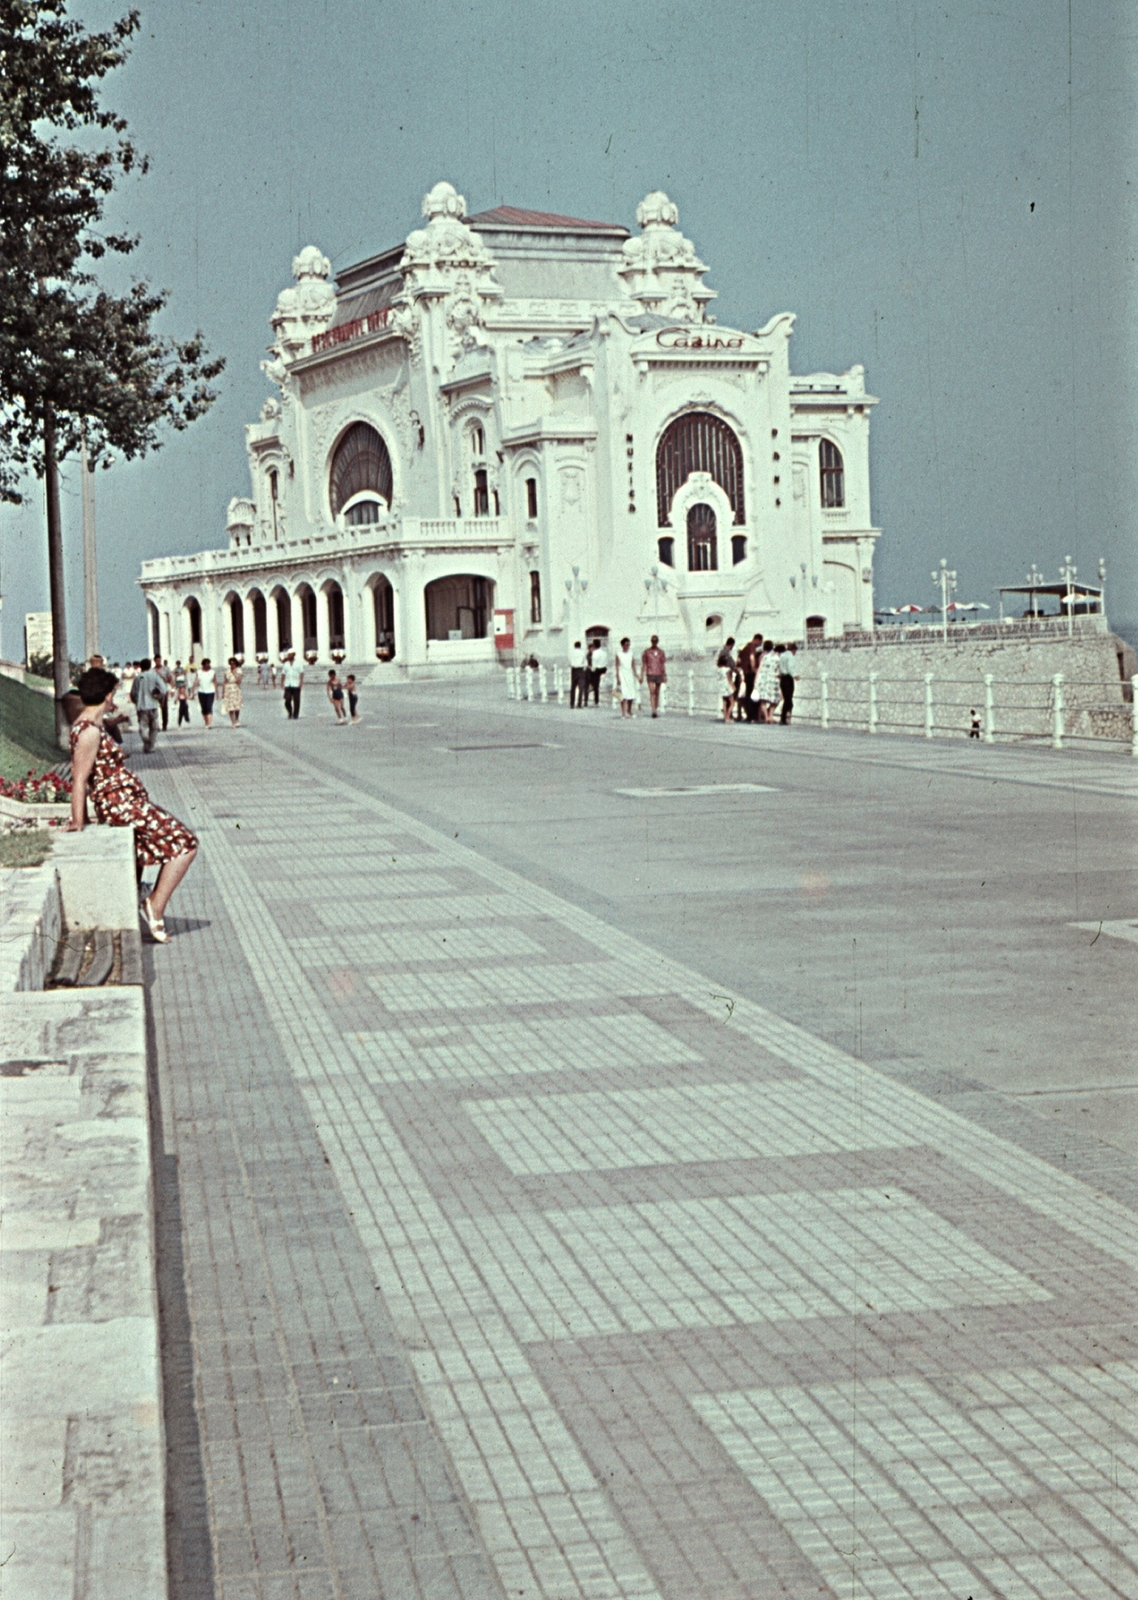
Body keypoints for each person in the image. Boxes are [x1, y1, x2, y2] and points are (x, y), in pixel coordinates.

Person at [66, 667, 198, 945]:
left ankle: (146, 899)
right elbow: (79, 780)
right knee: (185, 844)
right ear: (107, 695)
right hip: (120, 804)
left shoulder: (92, 725)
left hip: (125, 800)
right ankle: (154, 905)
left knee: (155, 849)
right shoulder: (89, 731)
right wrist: (78, 820)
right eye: (112, 693)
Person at [133, 657, 165, 753]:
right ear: (150, 666)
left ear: (141, 666)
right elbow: (163, 689)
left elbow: (133, 693)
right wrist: (159, 697)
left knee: (143, 726)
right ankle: (151, 745)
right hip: (153, 705)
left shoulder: (139, 677)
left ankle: (146, 740)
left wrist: (136, 701)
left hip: (142, 706)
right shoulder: (154, 676)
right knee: (154, 727)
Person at [738, 634, 763, 722]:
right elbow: (752, 658)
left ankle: (749, 716)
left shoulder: (744, 648)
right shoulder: (752, 647)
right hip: (750, 673)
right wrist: (754, 669)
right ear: (757, 640)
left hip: (745, 673)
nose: (759, 644)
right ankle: (753, 716)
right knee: (753, 695)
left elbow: (739, 661)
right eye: (760, 642)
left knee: (748, 694)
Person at [753, 639, 779, 723]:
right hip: (773, 679)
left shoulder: (763, 657)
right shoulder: (776, 657)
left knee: (763, 700)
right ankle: (770, 716)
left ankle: (766, 717)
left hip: (763, 679)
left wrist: (756, 679)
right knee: (774, 699)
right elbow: (778, 670)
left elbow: (759, 669)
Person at [641, 635, 667, 717]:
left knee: (657, 692)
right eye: (653, 641)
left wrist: (665, 675)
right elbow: (644, 664)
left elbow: (663, 664)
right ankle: (653, 710)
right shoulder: (647, 652)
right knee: (652, 691)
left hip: (659, 673)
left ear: (657, 641)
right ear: (651, 641)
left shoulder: (661, 652)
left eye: (655, 641)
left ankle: (655, 708)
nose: (654, 642)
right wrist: (641, 675)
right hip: (650, 673)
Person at [613, 637, 639, 717]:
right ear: (622, 645)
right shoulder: (618, 654)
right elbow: (617, 666)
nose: (627, 646)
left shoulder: (631, 653)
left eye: (628, 645)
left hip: (629, 674)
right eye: (626, 645)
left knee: (631, 693)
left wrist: (636, 674)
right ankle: (623, 713)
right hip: (622, 674)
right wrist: (617, 677)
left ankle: (629, 710)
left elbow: (633, 665)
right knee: (622, 693)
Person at [717, 637, 738, 723]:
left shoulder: (719, 668)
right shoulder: (725, 653)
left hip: (722, 684)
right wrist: (733, 687)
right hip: (727, 683)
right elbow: (729, 679)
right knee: (731, 701)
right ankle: (728, 716)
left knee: (725, 701)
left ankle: (726, 717)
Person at [777, 641, 797, 725]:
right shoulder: (790, 656)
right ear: (793, 650)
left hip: (782, 679)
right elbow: (790, 667)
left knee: (786, 698)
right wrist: (795, 675)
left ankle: (784, 717)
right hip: (788, 678)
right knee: (788, 698)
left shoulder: (781, 656)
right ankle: (784, 718)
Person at [152, 655, 172, 730]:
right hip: (155, 691)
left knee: (164, 708)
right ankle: (156, 725)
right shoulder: (152, 670)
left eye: (159, 660)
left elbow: (170, 679)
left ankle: (164, 725)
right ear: (154, 661)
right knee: (154, 709)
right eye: (157, 660)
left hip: (163, 691)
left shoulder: (166, 669)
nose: (158, 662)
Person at [222, 658, 243, 726]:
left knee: (237, 706)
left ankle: (236, 719)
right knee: (230, 707)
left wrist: (235, 673)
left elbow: (239, 681)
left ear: (236, 664)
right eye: (230, 664)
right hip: (229, 689)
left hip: (236, 688)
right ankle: (233, 722)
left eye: (233, 664)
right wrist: (223, 692)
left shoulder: (239, 671)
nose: (232, 665)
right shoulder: (227, 671)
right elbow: (225, 682)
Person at [587, 638, 609, 706]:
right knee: (596, 683)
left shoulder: (595, 653)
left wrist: (591, 668)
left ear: (594, 645)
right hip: (604, 669)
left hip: (597, 670)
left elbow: (594, 665)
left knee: (595, 685)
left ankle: (596, 700)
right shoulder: (604, 652)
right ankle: (592, 686)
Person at [196, 658, 217, 727]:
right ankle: (206, 722)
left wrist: (216, 691)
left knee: (209, 706)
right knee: (204, 707)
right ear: (203, 665)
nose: (207, 665)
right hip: (201, 691)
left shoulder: (212, 672)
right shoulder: (199, 672)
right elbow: (196, 681)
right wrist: (193, 690)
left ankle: (209, 723)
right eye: (206, 664)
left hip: (210, 691)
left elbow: (214, 681)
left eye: (208, 664)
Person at [282, 651, 303, 719]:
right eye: (288, 655)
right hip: (288, 684)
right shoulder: (286, 664)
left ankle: (295, 714)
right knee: (287, 700)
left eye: (290, 655)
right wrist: (282, 682)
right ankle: (290, 712)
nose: (288, 656)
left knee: (296, 700)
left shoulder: (298, 663)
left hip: (296, 684)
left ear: (293, 655)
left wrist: (301, 682)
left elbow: (301, 673)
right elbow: (283, 673)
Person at [569, 640, 586, 708]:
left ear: (574, 646)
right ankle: (579, 703)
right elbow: (585, 662)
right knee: (581, 687)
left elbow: (569, 662)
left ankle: (572, 703)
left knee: (573, 687)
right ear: (580, 646)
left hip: (574, 670)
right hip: (580, 670)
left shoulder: (571, 653)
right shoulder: (582, 653)